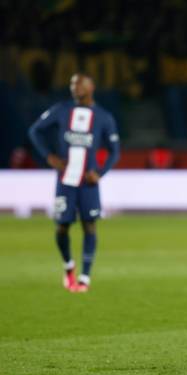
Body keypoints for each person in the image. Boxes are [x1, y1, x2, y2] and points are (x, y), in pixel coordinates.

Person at [29, 73, 120, 292]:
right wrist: (48, 156)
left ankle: (85, 278)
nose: (74, 87)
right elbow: (35, 131)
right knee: (62, 227)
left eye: (79, 83)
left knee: (90, 226)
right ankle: (68, 266)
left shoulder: (104, 117)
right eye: (71, 83)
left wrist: (100, 173)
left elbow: (114, 151)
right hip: (65, 181)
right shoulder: (62, 110)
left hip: (88, 183)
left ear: (92, 87)